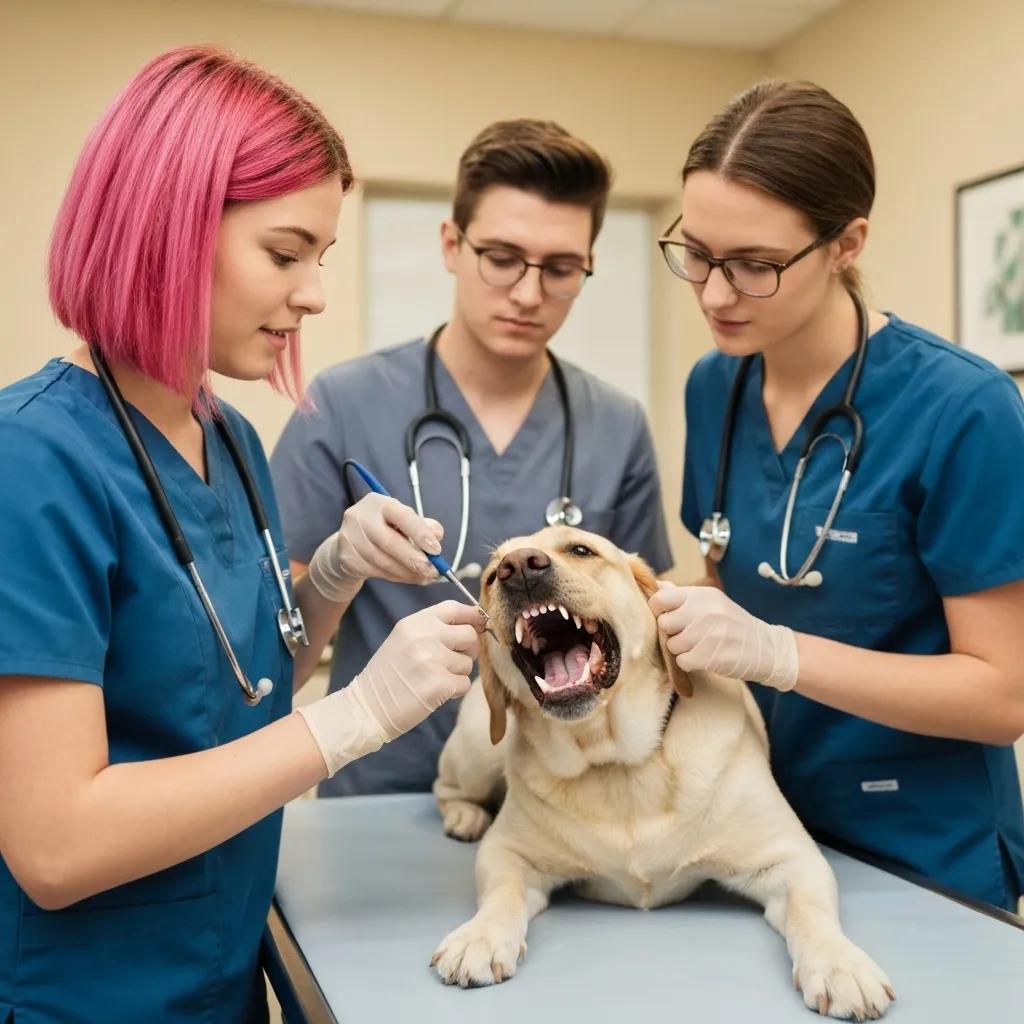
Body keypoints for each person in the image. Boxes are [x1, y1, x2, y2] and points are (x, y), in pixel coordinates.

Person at [0, 46, 485, 1023]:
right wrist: (358, 719)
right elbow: (54, 846)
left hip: (229, 977)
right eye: (284, 251)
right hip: (95, 998)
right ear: (166, 226)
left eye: (324, 258)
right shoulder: (31, 461)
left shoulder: (231, 438)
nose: (311, 294)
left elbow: (246, 683)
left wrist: (337, 574)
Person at [650, 79, 1024, 911]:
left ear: (847, 242)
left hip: (921, 850)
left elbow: (1002, 697)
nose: (714, 294)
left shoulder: (964, 410)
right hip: (750, 828)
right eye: (698, 254)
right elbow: (726, 577)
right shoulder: (716, 388)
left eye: (754, 265)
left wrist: (777, 653)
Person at [271, 119, 673, 797]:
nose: (527, 292)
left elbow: (642, 633)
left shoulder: (616, 423)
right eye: (503, 257)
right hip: (380, 790)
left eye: (562, 268)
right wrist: (341, 570)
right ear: (452, 245)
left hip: (569, 801)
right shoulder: (344, 402)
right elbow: (269, 634)